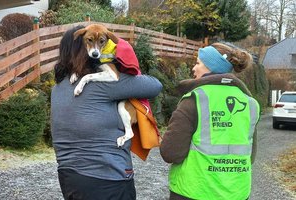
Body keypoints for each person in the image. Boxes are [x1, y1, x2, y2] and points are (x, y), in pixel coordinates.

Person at [51, 26, 162, 200]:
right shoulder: (103, 84)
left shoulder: (57, 88)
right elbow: (154, 86)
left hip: (69, 176)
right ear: (83, 48)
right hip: (108, 177)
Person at [160, 43, 260, 200]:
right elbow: (250, 157)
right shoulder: (250, 104)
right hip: (237, 193)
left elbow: (170, 153)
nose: (194, 68)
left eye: (198, 63)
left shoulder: (195, 99)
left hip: (193, 192)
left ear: (211, 67)